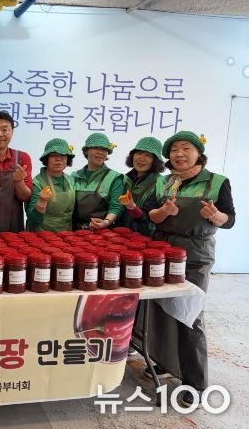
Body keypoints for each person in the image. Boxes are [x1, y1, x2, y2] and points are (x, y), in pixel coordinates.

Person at [143, 130, 235, 407]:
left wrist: (216, 216)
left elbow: (229, 219)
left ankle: (195, 383)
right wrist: (164, 212)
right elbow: (150, 213)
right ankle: (164, 361)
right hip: (162, 253)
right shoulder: (164, 181)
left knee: (190, 316)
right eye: (174, 150)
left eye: (185, 148)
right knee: (161, 311)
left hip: (195, 255)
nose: (179, 154)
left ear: (198, 153)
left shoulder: (217, 182)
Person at [71, 133, 123, 230]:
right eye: (96, 148)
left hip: (102, 232)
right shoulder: (74, 176)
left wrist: (106, 222)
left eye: (104, 149)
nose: (100, 152)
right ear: (86, 151)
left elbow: (116, 206)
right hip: (74, 231)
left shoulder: (114, 177)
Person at [117, 136, 165, 236]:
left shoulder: (160, 183)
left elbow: (150, 217)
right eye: (139, 153)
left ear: (155, 161)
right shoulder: (124, 179)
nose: (141, 158)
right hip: (119, 235)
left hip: (145, 237)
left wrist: (132, 207)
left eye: (148, 155)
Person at [26, 138, 76, 232]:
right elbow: (33, 218)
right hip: (41, 235)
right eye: (53, 155)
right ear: (46, 159)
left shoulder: (71, 180)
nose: (58, 159)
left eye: (63, 155)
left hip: (66, 234)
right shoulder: (37, 182)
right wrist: (41, 202)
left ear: (67, 159)